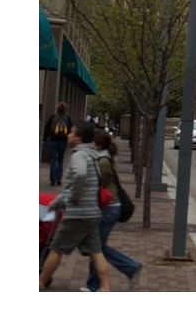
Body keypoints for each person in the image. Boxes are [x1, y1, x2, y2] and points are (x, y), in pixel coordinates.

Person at [39, 121, 111, 291]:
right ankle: (105, 287)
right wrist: (58, 202)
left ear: (78, 138)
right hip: (92, 212)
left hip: (78, 213)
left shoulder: (79, 155)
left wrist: (74, 197)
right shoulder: (93, 154)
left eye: (71, 132)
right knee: (96, 251)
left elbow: (79, 176)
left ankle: (40, 282)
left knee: (56, 248)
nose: (68, 134)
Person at [84, 129, 142, 292]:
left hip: (109, 207)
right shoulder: (104, 157)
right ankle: (128, 268)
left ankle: (95, 284)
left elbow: (96, 183)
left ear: (98, 144)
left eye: (92, 142)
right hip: (111, 207)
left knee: (96, 247)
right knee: (97, 246)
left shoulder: (102, 161)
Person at [43, 101, 73, 186]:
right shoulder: (67, 118)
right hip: (63, 141)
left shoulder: (53, 117)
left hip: (53, 140)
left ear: (57, 108)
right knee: (60, 160)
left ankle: (52, 180)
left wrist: (44, 139)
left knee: (53, 160)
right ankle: (59, 178)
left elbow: (47, 128)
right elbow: (71, 129)